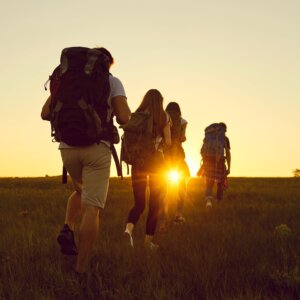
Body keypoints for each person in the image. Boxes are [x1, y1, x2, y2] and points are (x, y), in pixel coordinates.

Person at [41, 47, 131, 274]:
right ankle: (80, 270)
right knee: (92, 208)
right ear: (107, 63)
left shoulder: (69, 80)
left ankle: (67, 228)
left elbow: (44, 113)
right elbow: (123, 117)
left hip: (67, 149)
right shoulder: (113, 81)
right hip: (97, 148)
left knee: (81, 191)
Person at [124, 89, 171, 250]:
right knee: (155, 205)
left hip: (138, 163)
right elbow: (169, 142)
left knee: (139, 204)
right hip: (157, 164)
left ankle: (128, 230)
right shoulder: (163, 116)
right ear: (160, 101)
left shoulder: (137, 115)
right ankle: (147, 242)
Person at [161, 101, 190, 228]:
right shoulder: (182, 121)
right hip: (178, 157)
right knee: (182, 187)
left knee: (162, 189)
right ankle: (178, 214)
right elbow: (183, 138)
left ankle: (162, 219)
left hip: (163, 157)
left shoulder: (163, 118)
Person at [199, 122, 231, 208]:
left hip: (208, 162)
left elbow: (201, 151)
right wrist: (229, 167)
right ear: (224, 130)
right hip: (219, 162)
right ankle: (218, 202)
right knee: (220, 183)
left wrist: (205, 160)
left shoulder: (209, 137)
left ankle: (208, 201)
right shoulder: (225, 139)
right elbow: (228, 153)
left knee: (209, 183)